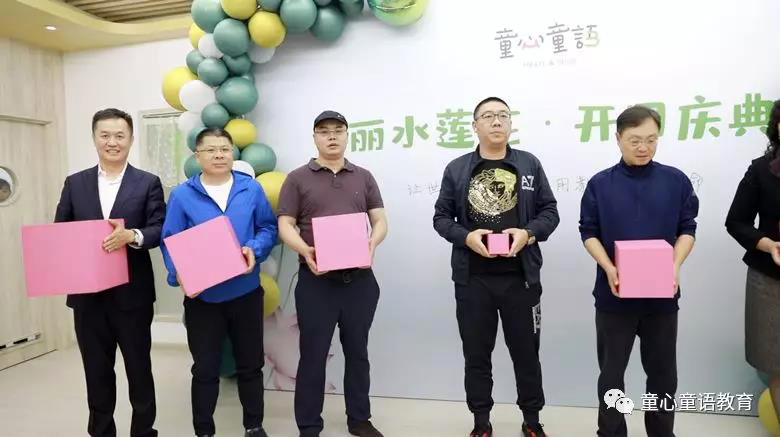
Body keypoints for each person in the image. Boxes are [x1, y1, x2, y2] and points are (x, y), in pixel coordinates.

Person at [433, 97, 559, 437]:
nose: (497, 121)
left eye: (503, 115)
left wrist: (528, 234)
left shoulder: (529, 164)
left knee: (527, 353)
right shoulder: (457, 169)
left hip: (521, 278)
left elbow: (550, 211)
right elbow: (441, 218)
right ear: (475, 126)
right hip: (474, 280)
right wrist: (466, 237)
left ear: (511, 123)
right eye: (488, 116)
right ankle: (481, 421)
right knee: (476, 355)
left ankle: (532, 420)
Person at [578, 105, 699, 437]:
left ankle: (661, 433)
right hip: (614, 297)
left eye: (651, 139)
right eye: (635, 140)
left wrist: (674, 265)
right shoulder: (600, 184)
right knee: (612, 378)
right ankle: (612, 432)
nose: (644, 147)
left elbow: (688, 229)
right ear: (618, 138)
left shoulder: (675, 180)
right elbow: (588, 232)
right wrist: (608, 267)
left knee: (663, 377)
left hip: (661, 298)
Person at [54, 108, 165, 437]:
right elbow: (60, 230)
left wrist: (133, 235)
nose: (112, 142)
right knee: (96, 372)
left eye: (119, 135)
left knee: (139, 369)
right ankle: (101, 432)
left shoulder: (147, 182)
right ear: (94, 138)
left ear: (131, 139)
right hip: (87, 297)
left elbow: (159, 228)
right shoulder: (75, 183)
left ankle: (143, 431)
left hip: (132, 296)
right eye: (105, 135)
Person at [277, 111, 388, 437]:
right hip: (316, 281)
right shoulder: (297, 178)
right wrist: (305, 250)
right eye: (324, 131)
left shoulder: (363, 176)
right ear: (315, 137)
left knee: (358, 352)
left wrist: (372, 243)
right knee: (313, 355)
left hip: (359, 281)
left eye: (338, 130)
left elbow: (380, 220)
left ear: (347, 135)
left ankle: (360, 419)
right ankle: (309, 425)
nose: (332, 136)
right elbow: (285, 224)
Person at [160, 128, 277, 437]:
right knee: (205, 369)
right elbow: (170, 241)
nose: (219, 155)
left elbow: (268, 227)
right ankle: (204, 430)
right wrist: (178, 274)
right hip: (204, 299)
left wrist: (255, 247)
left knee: (251, 365)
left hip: (245, 293)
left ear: (232, 153)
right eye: (210, 150)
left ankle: (254, 426)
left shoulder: (250, 188)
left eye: (224, 149)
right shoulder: (182, 195)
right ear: (197, 156)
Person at [725, 99, 780, 421]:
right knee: (777, 364)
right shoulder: (760, 170)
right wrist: (767, 244)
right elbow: (736, 221)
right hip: (770, 279)